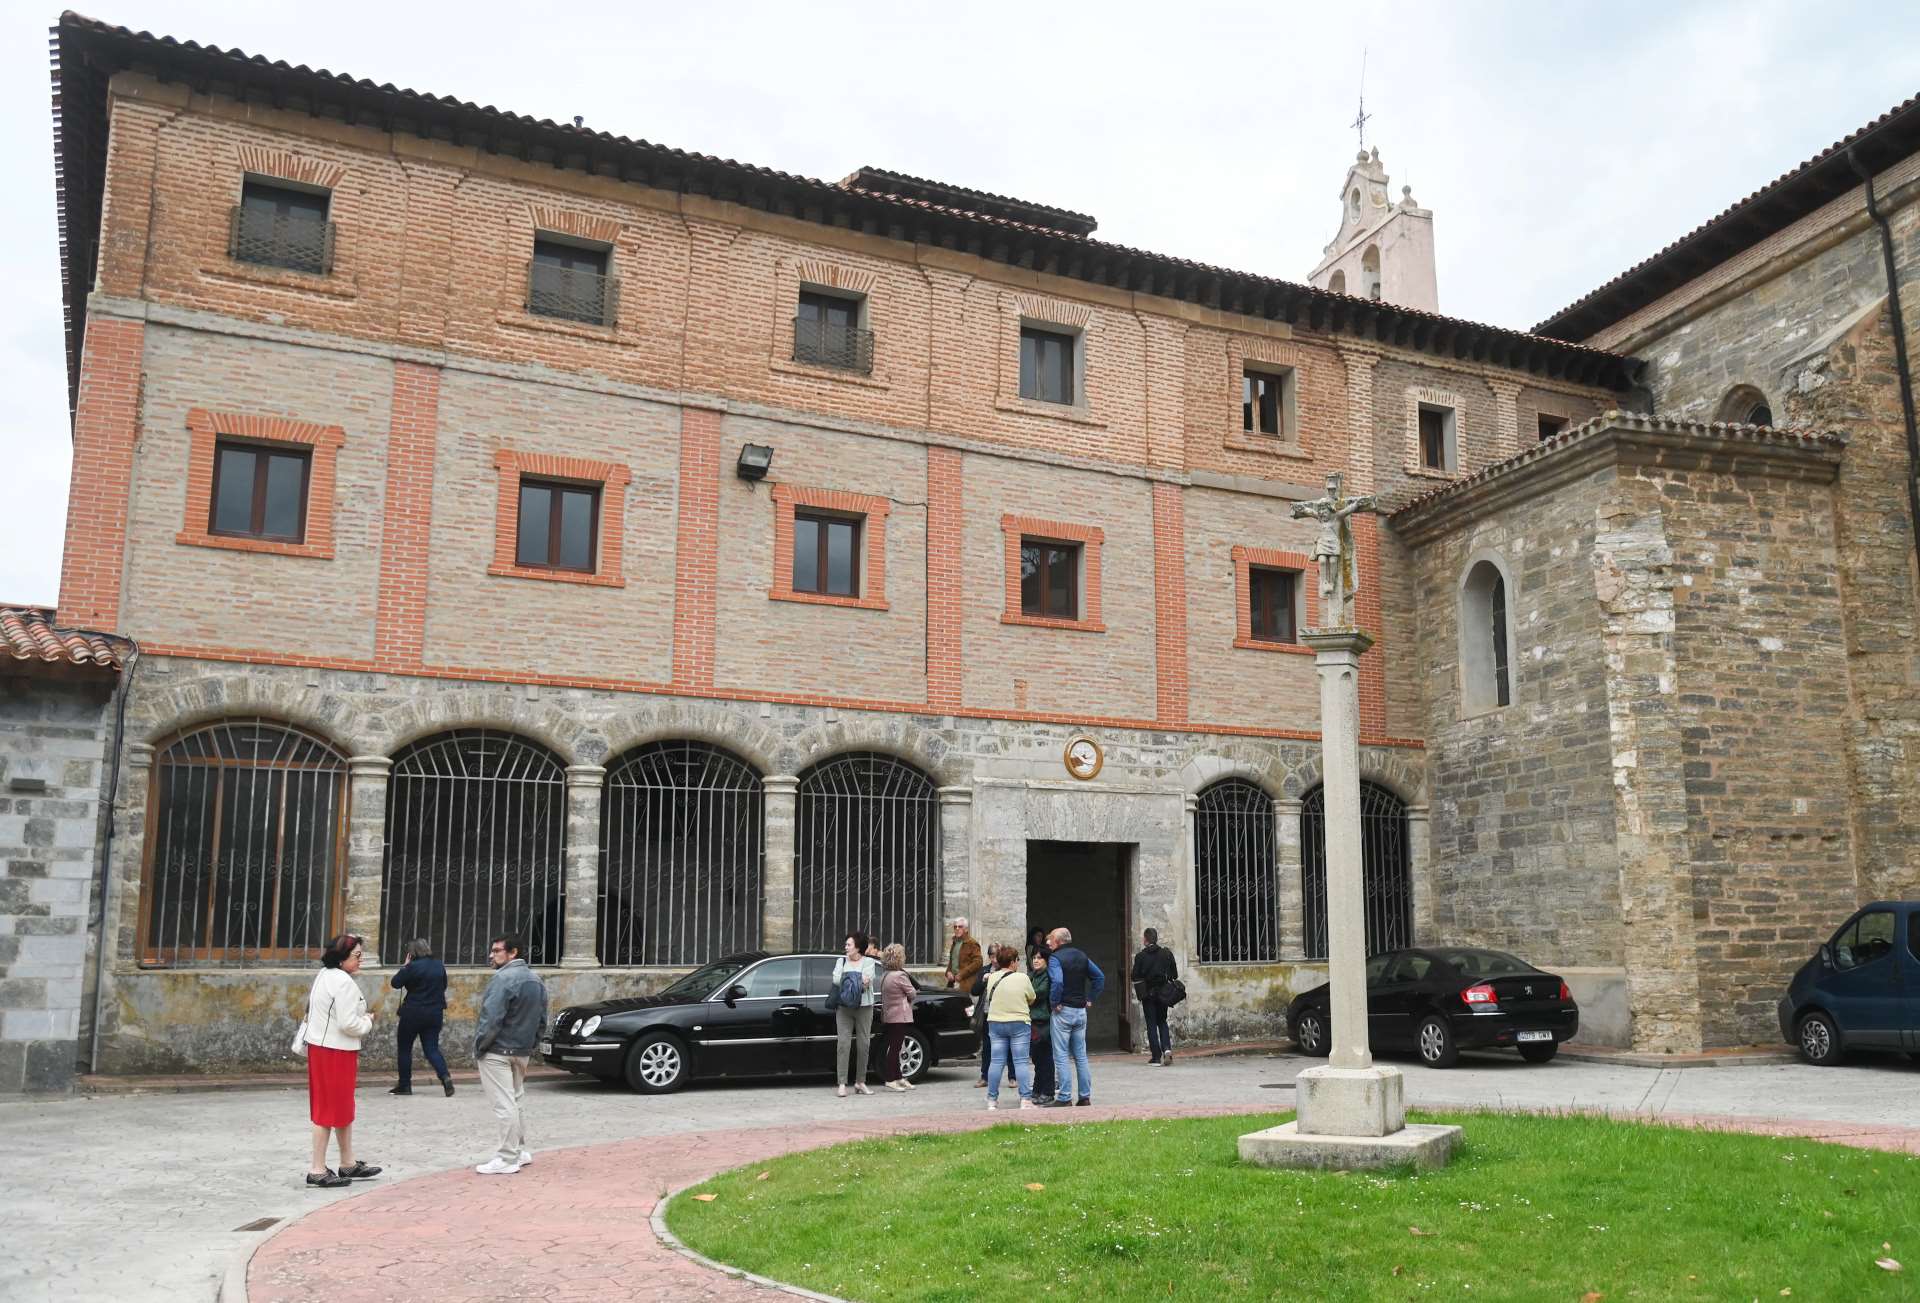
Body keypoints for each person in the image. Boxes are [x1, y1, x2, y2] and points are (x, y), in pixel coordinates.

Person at [303, 933, 380, 1188]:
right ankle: (317, 1168)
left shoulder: (325, 975)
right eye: (357, 956)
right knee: (328, 1110)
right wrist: (367, 1021)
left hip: (324, 1047)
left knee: (340, 1108)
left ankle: (347, 1162)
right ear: (343, 957)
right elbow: (348, 1024)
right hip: (335, 1050)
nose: (360, 961)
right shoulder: (343, 982)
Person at [473, 934, 548, 1175]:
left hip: (498, 1050)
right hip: (521, 1050)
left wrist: (480, 1046)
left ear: (513, 952)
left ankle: (507, 1157)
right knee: (515, 1100)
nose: (492, 955)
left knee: (504, 1104)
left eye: (497, 951)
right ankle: (519, 1151)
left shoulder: (502, 979)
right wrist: (531, 1045)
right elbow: (542, 1019)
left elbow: (491, 1019)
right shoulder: (536, 980)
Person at [1040, 926, 1104, 1108]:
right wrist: (1090, 998)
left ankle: (1065, 1096)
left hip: (1063, 1010)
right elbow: (1099, 977)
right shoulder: (1082, 955)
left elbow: (1058, 981)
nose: (1048, 941)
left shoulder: (1055, 958)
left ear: (1058, 941)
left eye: (1051, 938)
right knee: (1081, 1056)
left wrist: (1054, 1002)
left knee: (1060, 1055)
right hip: (1080, 1011)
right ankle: (1084, 1096)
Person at [388, 937, 452, 1096]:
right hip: (435, 1013)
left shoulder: (412, 967)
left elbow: (395, 983)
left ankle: (405, 1085)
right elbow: (444, 985)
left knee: (405, 1049)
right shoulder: (439, 965)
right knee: (431, 1048)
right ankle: (445, 1076)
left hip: (413, 1013)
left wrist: (405, 966)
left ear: (412, 952)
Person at [982, 945, 1037, 1110]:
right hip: (1019, 1022)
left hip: (996, 1022)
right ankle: (1025, 1099)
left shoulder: (992, 977)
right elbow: (1032, 998)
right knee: (1020, 1061)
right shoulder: (1023, 978)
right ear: (1013, 962)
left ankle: (992, 1099)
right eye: (1017, 960)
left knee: (996, 1061)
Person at [832, 929, 879, 1098]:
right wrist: (857, 979)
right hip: (844, 1007)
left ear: (858, 947)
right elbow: (836, 980)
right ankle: (842, 1083)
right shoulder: (840, 961)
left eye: (849, 944)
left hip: (864, 1006)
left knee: (863, 1045)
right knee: (843, 1045)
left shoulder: (869, 962)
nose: (845, 947)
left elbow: (868, 981)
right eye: (846, 944)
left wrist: (851, 979)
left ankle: (860, 1082)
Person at [1130, 927, 1179, 1066]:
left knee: (1151, 1024)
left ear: (1145, 939)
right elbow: (1174, 975)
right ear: (1156, 939)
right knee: (1162, 1021)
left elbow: (1134, 976)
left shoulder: (1140, 956)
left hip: (1148, 994)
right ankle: (1167, 1049)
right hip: (1164, 993)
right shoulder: (1166, 953)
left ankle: (1156, 1057)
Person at [879, 943, 917, 1091]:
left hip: (889, 1015)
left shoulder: (885, 975)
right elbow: (912, 993)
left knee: (895, 1046)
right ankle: (890, 1079)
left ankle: (898, 1076)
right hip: (900, 1016)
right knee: (895, 1048)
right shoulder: (900, 975)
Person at [1027, 949, 1056, 1102]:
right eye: (1034, 958)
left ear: (1046, 960)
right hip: (1031, 1021)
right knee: (1037, 1057)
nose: (1036, 960)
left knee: (1045, 1057)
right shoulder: (1030, 976)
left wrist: (1027, 994)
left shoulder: (1048, 976)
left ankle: (1048, 1091)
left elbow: (1039, 993)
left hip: (1043, 1021)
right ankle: (1037, 1088)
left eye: (1039, 958)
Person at [944, 917, 982, 991]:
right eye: (955, 927)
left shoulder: (972, 943)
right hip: (953, 983)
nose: (957, 929)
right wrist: (948, 972)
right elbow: (952, 961)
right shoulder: (955, 942)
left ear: (966, 929)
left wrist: (962, 974)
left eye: (960, 927)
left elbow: (978, 962)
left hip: (966, 984)